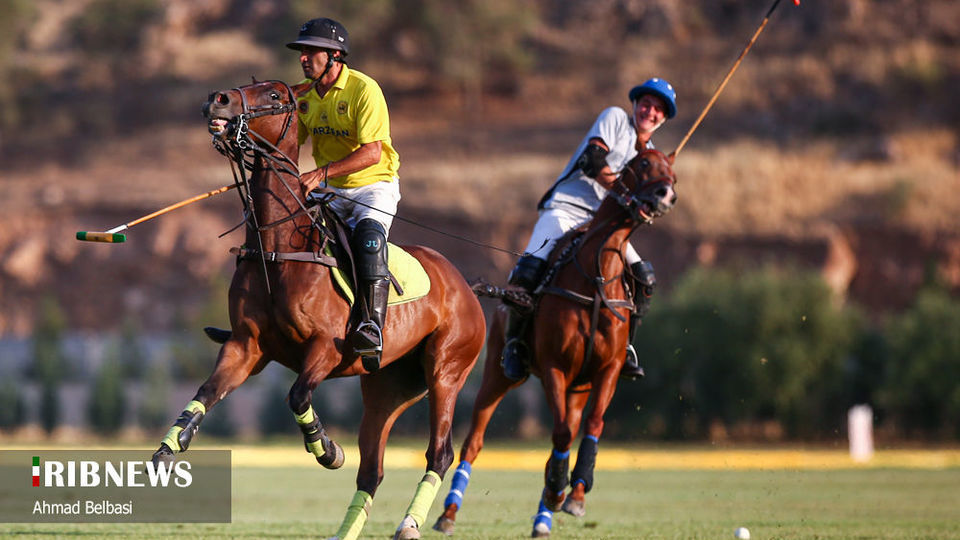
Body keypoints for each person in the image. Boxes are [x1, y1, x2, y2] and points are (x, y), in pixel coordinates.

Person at [206, 17, 401, 372]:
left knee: (370, 241)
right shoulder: (307, 97)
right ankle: (252, 319)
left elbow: (373, 151)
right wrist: (231, 127)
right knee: (271, 229)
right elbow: (280, 136)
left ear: (336, 56)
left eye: (312, 51)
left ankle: (371, 325)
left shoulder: (364, 89)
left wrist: (321, 173)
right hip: (329, 191)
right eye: (302, 52)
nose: (304, 58)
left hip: (373, 188)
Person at [500, 77, 677, 382]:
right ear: (636, 104)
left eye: (658, 109)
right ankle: (514, 344)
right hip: (566, 209)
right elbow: (592, 161)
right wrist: (626, 195)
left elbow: (646, 200)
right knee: (529, 270)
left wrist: (651, 206)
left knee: (644, 279)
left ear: (663, 118)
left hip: (603, 226)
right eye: (647, 103)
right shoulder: (615, 118)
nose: (651, 111)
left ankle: (625, 347)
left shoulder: (652, 155)